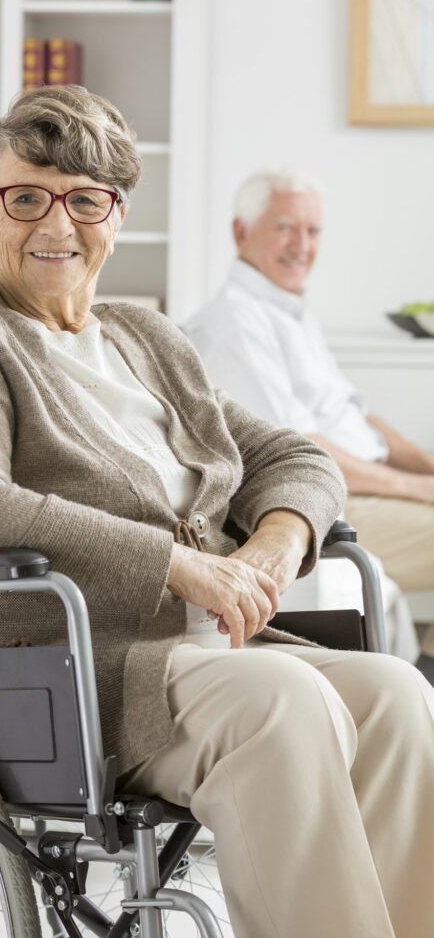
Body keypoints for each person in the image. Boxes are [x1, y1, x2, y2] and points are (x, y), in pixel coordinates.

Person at [0, 90, 434, 938]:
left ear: (116, 217)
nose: (58, 223)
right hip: (56, 661)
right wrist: (178, 564)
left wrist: (274, 549)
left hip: (194, 653)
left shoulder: (146, 339)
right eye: (26, 197)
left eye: (85, 198)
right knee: (280, 700)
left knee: (396, 693)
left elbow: (295, 459)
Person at [183, 168, 434, 658]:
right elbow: (304, 452)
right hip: (335, 498)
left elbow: (360, 419)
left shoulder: (289, 309)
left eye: (312, 230)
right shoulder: (236, 325)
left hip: (373, 483)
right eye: (284, 227)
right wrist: (417, 488)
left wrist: (428, 469)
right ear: (241, 232)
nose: (301, 245)